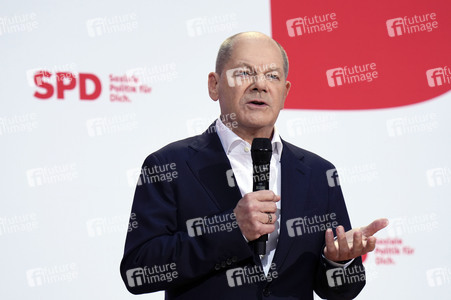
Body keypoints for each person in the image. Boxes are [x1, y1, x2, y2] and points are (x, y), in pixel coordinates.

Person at [120, 31, 388, 299]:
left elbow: (339, 290)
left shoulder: (318, 173)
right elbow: (139, 270)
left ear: (285, 92)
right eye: (244, 73)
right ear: (214, 85)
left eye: (272, 76)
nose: (260, 85)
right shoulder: (169, 164)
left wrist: (339, 261)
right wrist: (232, 229)